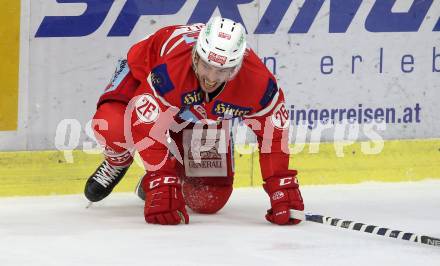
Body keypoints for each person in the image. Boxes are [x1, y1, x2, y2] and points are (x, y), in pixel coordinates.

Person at [84, 16, 304, 225]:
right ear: (196, 55)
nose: (211, 78)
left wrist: (280, 184)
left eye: (222, 71)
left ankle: (175, 169)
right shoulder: (171, 70)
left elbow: (273, 135)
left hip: (200, 113)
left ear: (237, 66)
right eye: (206, 66)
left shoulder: (258, 82)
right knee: (111, 125)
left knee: (208, 198)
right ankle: (118, 161)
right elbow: (142, 124)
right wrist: (160, 177)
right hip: (142, 74)